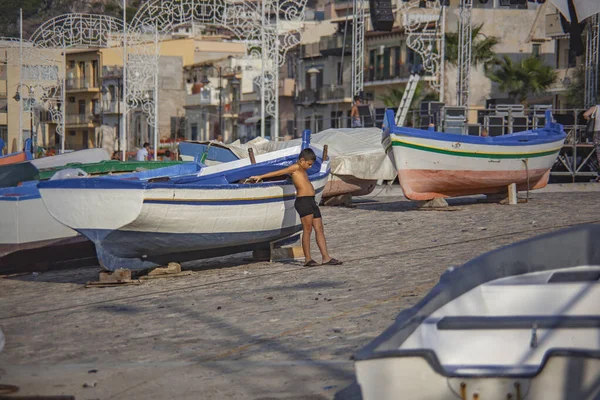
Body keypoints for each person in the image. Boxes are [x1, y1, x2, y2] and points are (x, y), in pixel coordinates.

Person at [248, 148, 342, 267]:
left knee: (319, 229)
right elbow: (280, 172)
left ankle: (326, 258)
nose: (309, 167)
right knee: (307, 230)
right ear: (302, 160)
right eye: (308, 164)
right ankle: (308, 259)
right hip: (303, 202)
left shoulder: (303, 170)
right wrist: (260, 177)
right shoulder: (296, 168)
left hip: (312, 202)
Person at [583, 104, 600, 182]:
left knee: (598, 153)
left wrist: (590, 119)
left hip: (597, 131)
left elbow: (585, 114)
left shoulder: (596, 107)